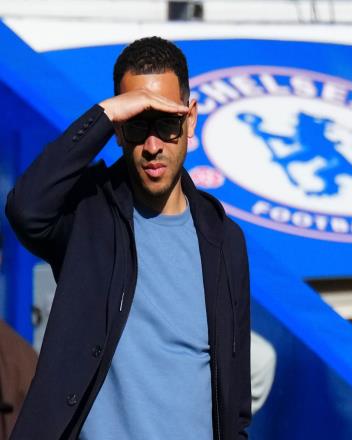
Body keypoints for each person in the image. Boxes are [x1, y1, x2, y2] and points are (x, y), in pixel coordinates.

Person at [6, 36, 251, 440]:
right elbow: (26, 208)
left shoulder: (225, 241)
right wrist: (106, 114)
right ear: (119, 129)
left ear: (190, 120)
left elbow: (235, 403)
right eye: (138, 123)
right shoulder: (87, 215)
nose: (152, 146)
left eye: (167, 123)